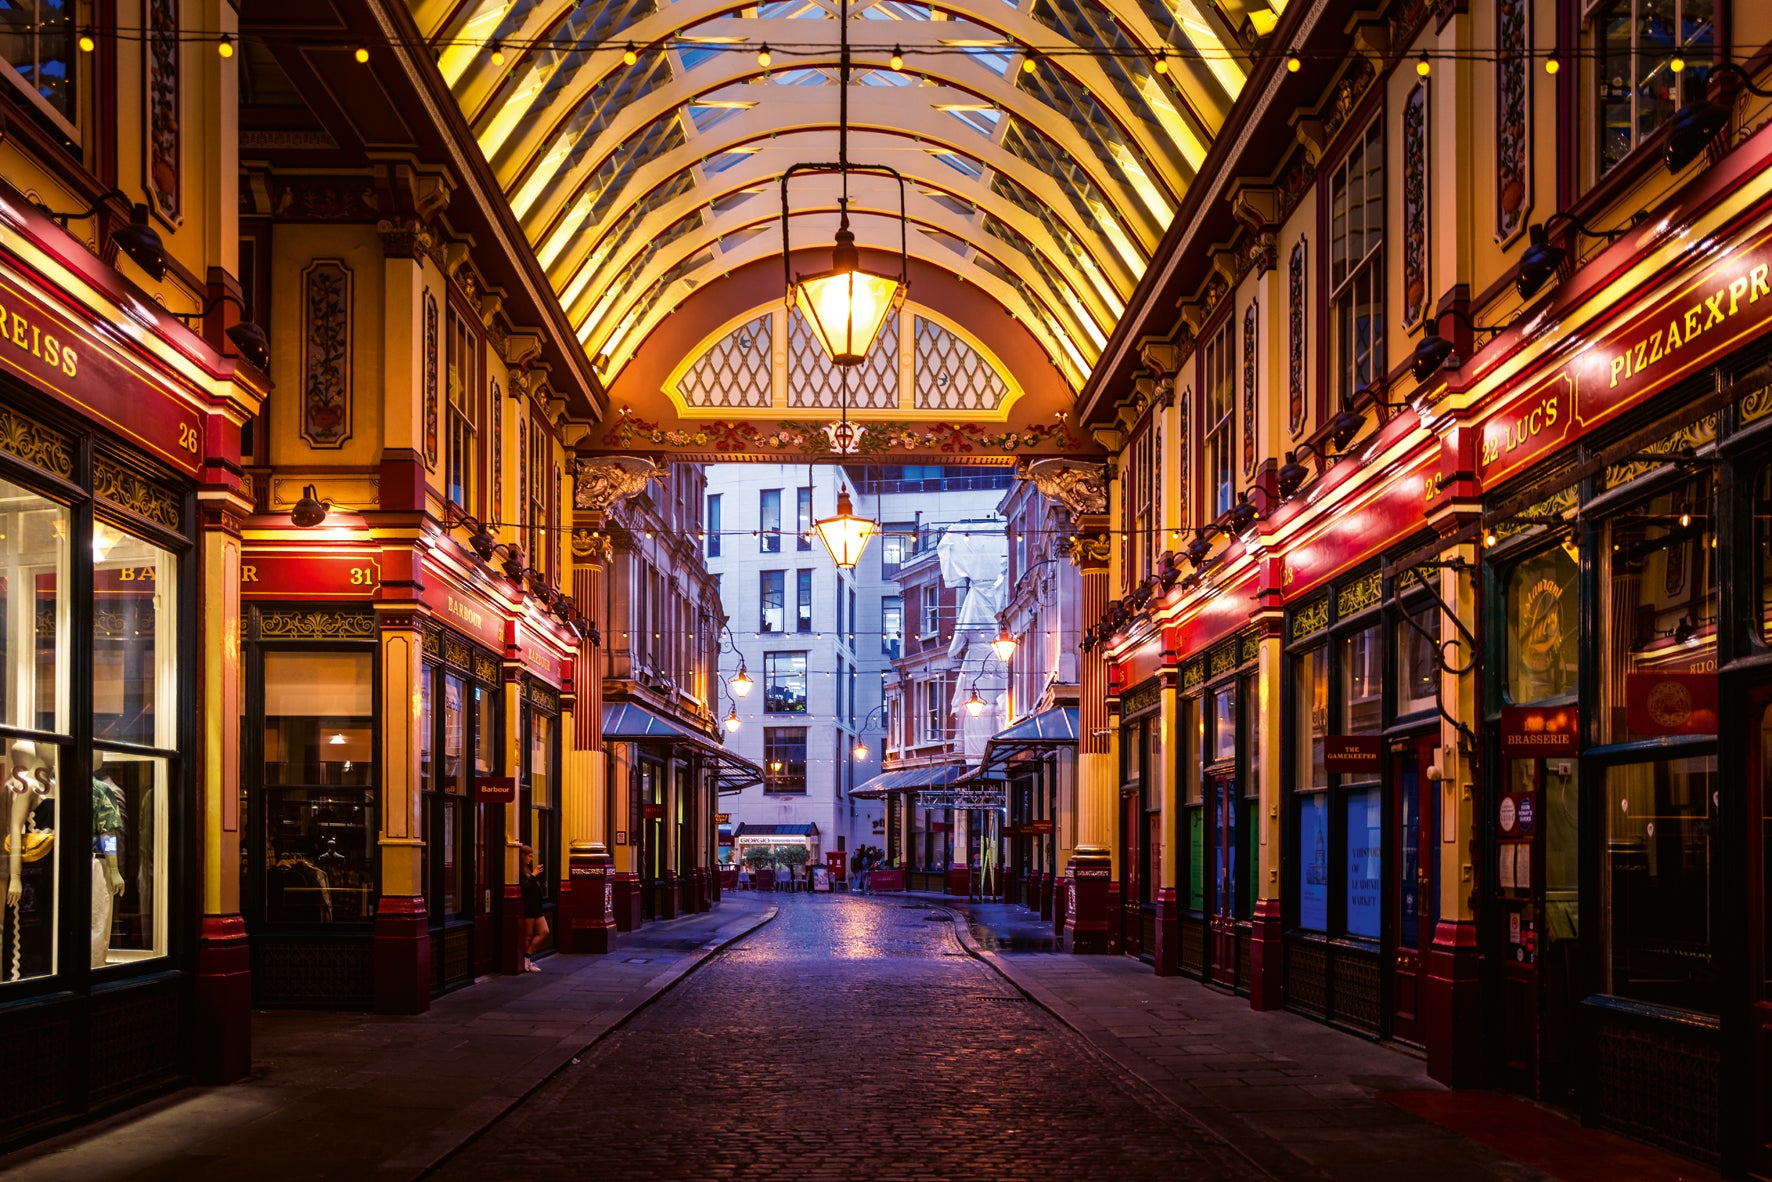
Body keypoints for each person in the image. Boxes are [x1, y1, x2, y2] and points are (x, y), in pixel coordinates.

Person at [519, 845, 548, 972]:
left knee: (544, 932)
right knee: (528, 935)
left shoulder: (527, 870)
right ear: (522, 856)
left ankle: (527, 956)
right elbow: (524, 888)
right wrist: (534, 875)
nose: (531, 859)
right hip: (529, 908)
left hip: (537, 907)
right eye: (529, 856)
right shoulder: (520, 872)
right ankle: (526, 961)